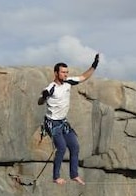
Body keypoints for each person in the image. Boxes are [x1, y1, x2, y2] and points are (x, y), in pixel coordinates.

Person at [38, 54, 100, 185]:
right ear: (56, 73)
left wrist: (94, 65)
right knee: (61, 148)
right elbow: (40, 101)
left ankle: (74, 175)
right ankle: (56, 177)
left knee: (75, 146)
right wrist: (44, 96)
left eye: (67, 72)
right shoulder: (50, 88)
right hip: (52, 123)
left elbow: (84, 77)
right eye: (63, 72)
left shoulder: (68, 82)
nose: (65, 74)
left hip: (63, 122)